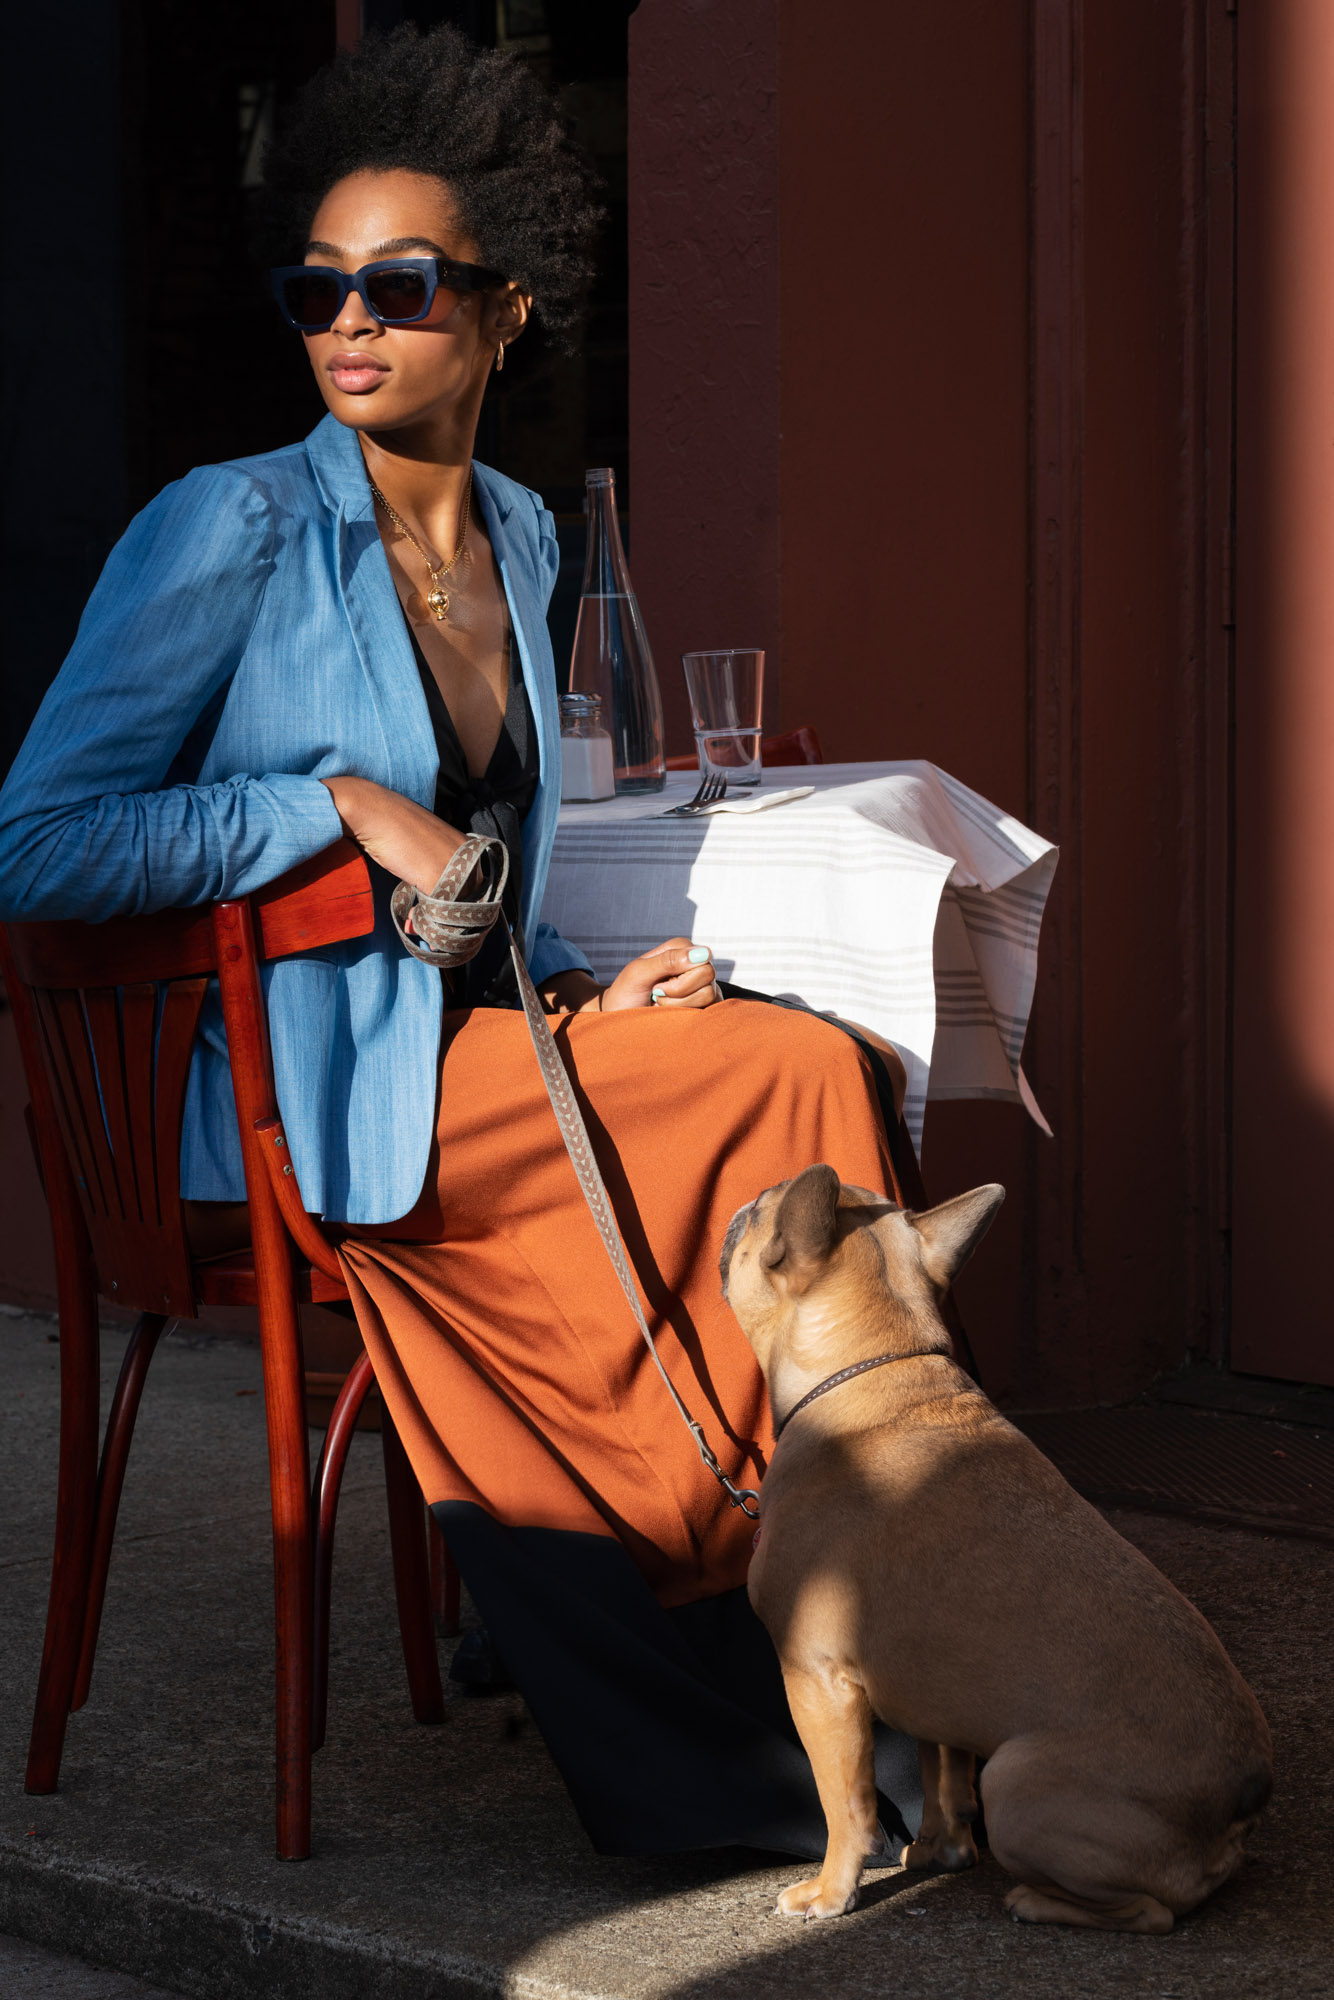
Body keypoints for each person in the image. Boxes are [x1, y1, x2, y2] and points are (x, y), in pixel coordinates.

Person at [0, 25, 918, 1858]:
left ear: (505, 315)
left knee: (786, 1053)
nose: (354, 321)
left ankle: (822, 1623)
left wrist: (578, 987)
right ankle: (730, 1679)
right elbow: (40, 840)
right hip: (284, 1092)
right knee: (777, 1079)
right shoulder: (232, 527)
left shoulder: (513, 533)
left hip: (468, 1056)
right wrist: (332, 799)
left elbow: (485, 870)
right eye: (321, 287)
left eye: (402, 288)